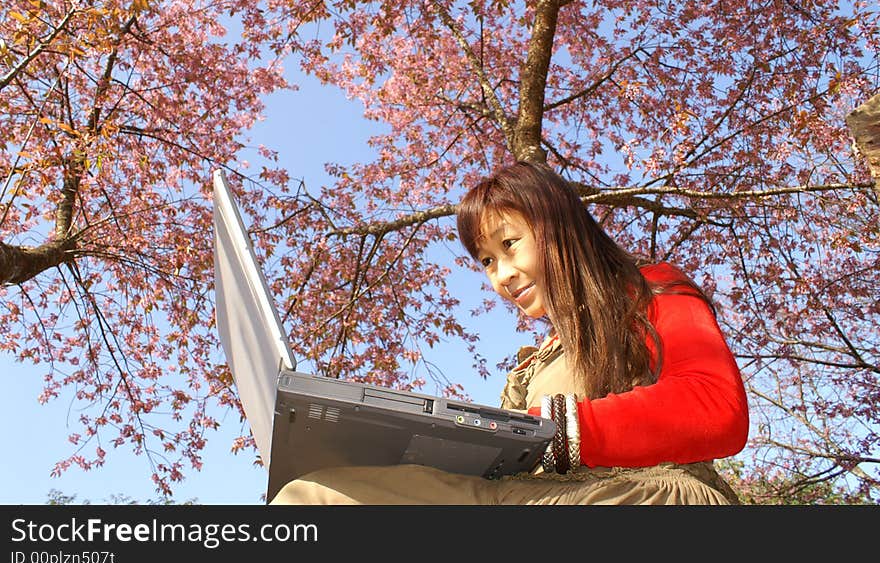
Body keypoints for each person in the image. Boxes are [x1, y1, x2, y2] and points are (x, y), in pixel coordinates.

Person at [270, 160, 749, 504]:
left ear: (559, 226)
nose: (500, 275)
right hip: (532, 495)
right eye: (486, 261)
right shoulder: (535, 360)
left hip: (645, 495)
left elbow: (715, 408)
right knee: (315, 494)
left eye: (510, 244)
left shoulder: (649, 291)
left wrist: (563, 427)